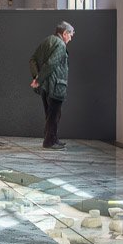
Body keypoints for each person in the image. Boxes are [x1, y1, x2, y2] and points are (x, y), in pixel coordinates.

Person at [29, 21, 75, 149]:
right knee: (54, 114)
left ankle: (52, 138)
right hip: (55, 86)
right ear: (64, 33)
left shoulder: (47, 41)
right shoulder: (60, 45)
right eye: (70, 35)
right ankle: (50, 141)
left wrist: (36, 77)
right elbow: (51, 64)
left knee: (50, 114)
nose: (71, 38)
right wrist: (38, 79)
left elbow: (32, 60)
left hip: (44, 87)